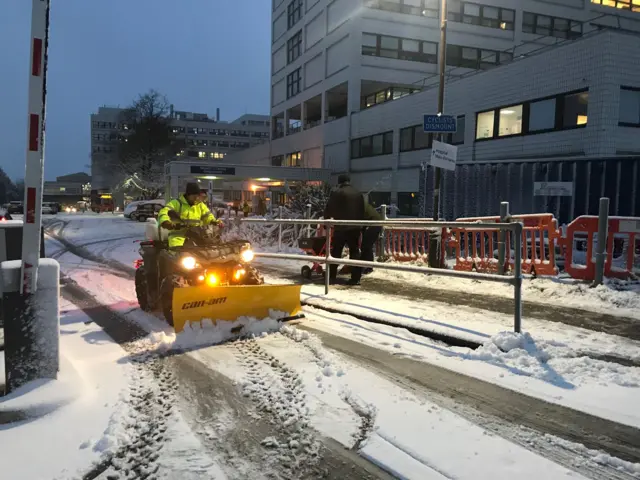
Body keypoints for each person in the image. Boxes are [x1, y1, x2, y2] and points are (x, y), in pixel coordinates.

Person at [323, 174, 365, 285]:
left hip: (341, 227)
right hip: (355, 227)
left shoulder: (337, 193)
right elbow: (362, 210)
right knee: (355, 252)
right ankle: (355, 278)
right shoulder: (358, 193)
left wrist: (326, 221)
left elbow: (329, 208)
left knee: (336, 251)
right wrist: (361, 226)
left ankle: (331, 276)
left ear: (339, 182)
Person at [157, 182, 218, 247]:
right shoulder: (176, 203)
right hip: (178, 238)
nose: (196, 198)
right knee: (177, 253)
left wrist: (213, 221)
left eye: (197, 196)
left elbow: (208, 216)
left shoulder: (200, 205)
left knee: (207, 252)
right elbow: (164, 212)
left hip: (197, 237)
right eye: (194, 196)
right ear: (188, 195)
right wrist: (165, 222)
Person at [361, 202, 383, 275]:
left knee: (366, 246)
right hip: (374, 223)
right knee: (366, 246)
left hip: (373, 224)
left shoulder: (357, 207)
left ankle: (368, 267)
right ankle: (364, 265)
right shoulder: (363, 205)